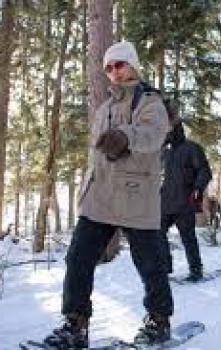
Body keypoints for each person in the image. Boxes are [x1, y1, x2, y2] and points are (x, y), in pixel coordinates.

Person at [43, 41, 173, 348]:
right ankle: (75, 326)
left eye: (120, 65)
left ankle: (159, 321)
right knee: (78, 258)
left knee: (151, 265)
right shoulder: (103, 109)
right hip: (99, 198)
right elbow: (96, 157)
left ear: (133, 66)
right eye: (109, 67)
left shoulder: (151, 103)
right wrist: (85, 190)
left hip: (135, 196)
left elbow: (153, 135)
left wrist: (125, 136)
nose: (114, 72)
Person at [160, 117, 212, 282]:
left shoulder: (192, 148)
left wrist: (198, 188)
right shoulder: (164, 153)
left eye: (168, 129)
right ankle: (164, 267)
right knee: (156, 233)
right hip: (165, 202)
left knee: (188, 237)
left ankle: (196, 270)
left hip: (185, 201)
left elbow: (204, 171)